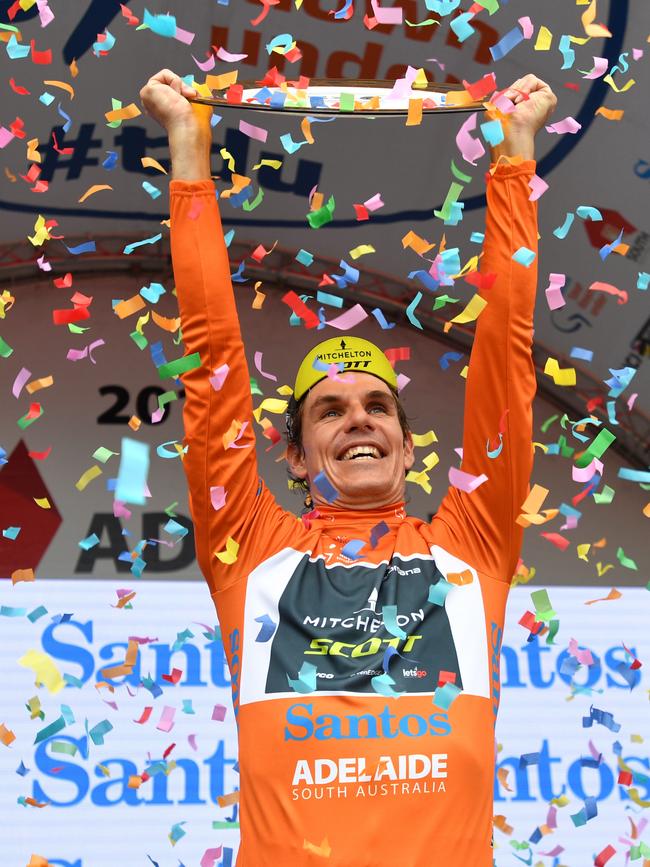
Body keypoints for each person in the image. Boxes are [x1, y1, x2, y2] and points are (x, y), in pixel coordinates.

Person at [140, 69, 556, 866]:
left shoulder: (470, 547)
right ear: (294, 453)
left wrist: (515, 157)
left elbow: (505, 356)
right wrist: (190, 151)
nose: (359, 418)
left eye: (378, 406)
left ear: (406, 442)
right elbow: (212, 361)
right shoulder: (252, 553)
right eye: (329, 410)